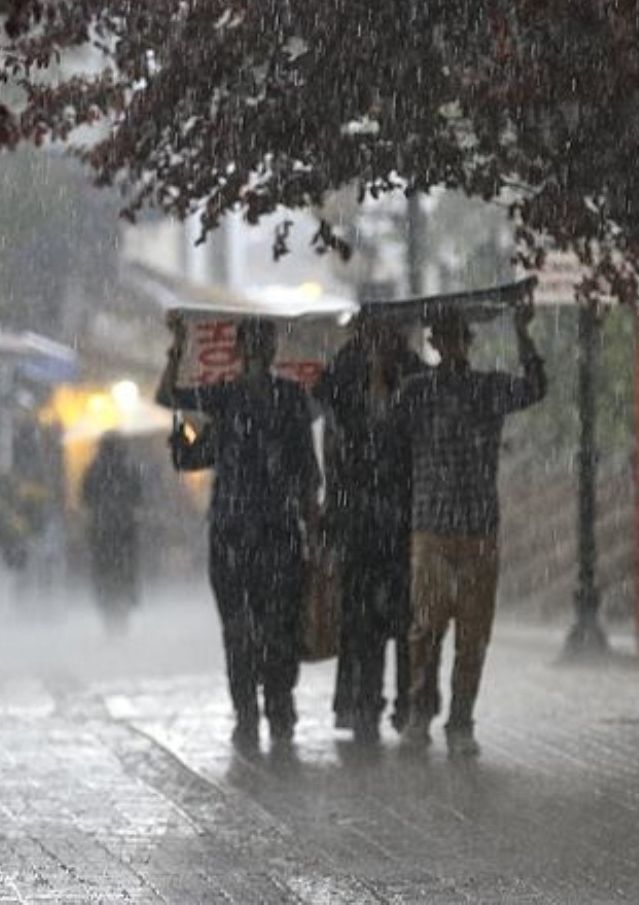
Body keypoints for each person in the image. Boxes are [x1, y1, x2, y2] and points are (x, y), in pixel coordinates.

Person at [388, 302, 546, 758]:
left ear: (465, 342)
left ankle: (461, 720)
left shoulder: (487, 388)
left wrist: (523, 335)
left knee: (473, 634)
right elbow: (383, 430)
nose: (450, 344)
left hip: (477, 527)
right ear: (435, 343)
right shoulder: (415, 391)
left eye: (456, 336)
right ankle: (421, 711)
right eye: (443, 336)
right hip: (432, 527)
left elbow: (535, 387)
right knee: (425, 629)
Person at [158, 317, 322, 752]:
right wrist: (177, 348)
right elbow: (169, 397)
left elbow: (307, 469)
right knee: (239, 628)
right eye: (252, 344)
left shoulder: (289, 399)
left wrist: (313, 523)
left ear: (271, 350)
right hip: (232, 532)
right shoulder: (225, 398)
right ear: (240, 350)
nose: (258, 352)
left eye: (263, 344)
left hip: (279, 531)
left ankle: (279, 707)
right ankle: (247, 711)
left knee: (280, 626)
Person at [315, 316, 430, 744]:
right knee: (361, 619)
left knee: (403, 619)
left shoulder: (412, 372)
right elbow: (335, 436)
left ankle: (406, 703)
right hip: (360, 517)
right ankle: (364, 703)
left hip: (400, 516)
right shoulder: (344, 371)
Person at [81, 433, 143, 635]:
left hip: (101, 531)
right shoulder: (129, 468)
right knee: (124, 574)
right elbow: (139, 496)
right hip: (125, 530)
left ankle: (109, 619)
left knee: (105, 575)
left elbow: (85, 497)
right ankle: (122, 618)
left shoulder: (93, 469)